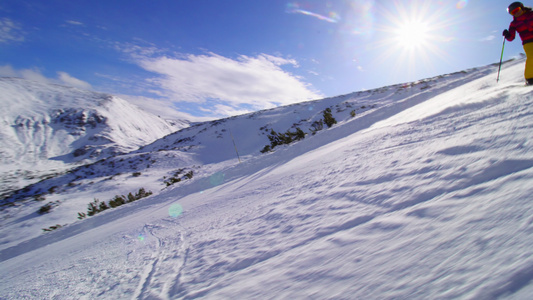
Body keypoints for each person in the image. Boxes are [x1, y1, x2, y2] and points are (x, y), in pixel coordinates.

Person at [503, 2, 533, 85]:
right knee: (531, 57)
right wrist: (507, 35)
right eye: (513, 12)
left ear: (522, 8)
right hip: (527, 42)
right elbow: (511, 37)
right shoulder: (514, 23)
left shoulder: (531, 14)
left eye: (517, 10)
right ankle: (530, 78)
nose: (516, 13)